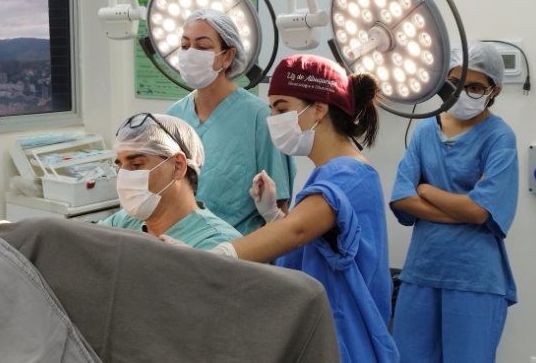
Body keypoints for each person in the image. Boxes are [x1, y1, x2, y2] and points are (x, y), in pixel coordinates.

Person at [163, 54, 399, 363]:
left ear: (319, 108)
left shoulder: (348, 174)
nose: (272, 118)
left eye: (282, 109)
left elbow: (297, 230)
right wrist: (274, 215)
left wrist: (208, 258)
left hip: (343, 342)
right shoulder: (331, 173)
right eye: (272, 108)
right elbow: (317, 246)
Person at [389, 42, 518, 363]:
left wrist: (426, 190)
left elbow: (479, 211)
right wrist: (463, 208)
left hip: (474, 278)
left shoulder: (499, 137)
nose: (462, 93)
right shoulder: (424, 131)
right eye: (455, 83)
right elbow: (402, 198)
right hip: (421, 272)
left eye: (475, 87)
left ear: (493, 90)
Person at [167, 8, 295, 236]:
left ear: (227, 56)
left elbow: (279, 210)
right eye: (185, 46)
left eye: (202, 47)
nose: (190, 54)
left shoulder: (259, 118)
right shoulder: (174, 116)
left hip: (239, 250)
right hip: (181, 245)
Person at [98, 113, 242, 250]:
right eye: (120, 167)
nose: (124, 177)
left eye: (136, 164)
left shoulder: (218, 243)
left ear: (178, 166)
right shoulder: (123, 221)